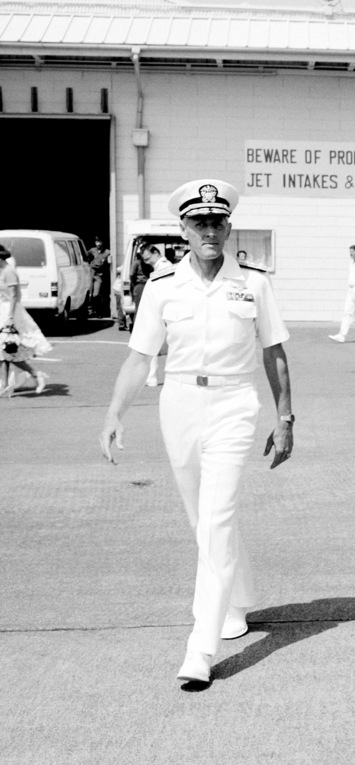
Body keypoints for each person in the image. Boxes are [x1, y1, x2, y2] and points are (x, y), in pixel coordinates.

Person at [99, 179, 294, 687]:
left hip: (234, 403)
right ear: (183, 229)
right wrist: (114, 413)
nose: (210, 230)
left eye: (217, 221)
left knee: (217, 516)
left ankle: (200, 649)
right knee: (201, 516)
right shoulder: (162, 286)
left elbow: (274, 351)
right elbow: (140, 357)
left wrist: (285, 417)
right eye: (199, 222)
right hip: (180, 403)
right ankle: (238, 598)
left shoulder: (254, 282)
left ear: (229, 227)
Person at [0, 244, 51, 395]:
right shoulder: (1, 270)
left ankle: (36, 374)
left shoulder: (9, 271)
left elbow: (14, 295)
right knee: (3, 352)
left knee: (10, 350)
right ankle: (4, 384)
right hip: (2, 309)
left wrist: (9, 317)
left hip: (11, 311)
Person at [139, 246, 173, 387]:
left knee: (154, 344)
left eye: (148, 258)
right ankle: (152, 376)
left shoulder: (165, 268)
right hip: (165, 311)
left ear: (156, 253)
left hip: (165, 311)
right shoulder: (163, 266)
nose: (147, 262)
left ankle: (152, 376)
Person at [329, 244, 355, 344]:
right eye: (350, 252)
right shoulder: (352, 262)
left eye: (352, 252)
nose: (350, 254)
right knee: (347, 312)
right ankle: (342, 335)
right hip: (351, 290)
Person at [87, 236, 111, 317]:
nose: (98, 244)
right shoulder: (92, 250)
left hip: (99, 274)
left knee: (96, 294)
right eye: (97, 242)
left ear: (103, 242)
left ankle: (98, 311)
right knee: (89, 294)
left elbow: (110, 263)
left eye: (100, 242)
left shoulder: (107, 252)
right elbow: (85, 256)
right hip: (91, 273)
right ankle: (91, 310)